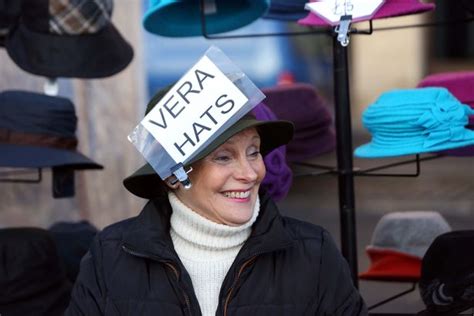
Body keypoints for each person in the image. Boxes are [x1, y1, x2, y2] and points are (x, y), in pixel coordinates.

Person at [65, 86, 367, 315]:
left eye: (254, 151)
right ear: (173, 176)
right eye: (223, 157)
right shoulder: (110, 256)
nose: (250, 173)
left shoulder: (314, 253)